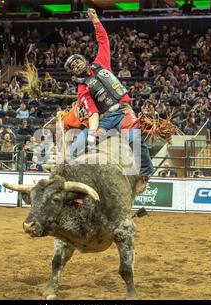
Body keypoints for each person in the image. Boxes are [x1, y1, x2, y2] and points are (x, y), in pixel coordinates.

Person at [64, 8, 153, 191]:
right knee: (75, 148)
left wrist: (95, 20)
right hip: (103, 119)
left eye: (78, 61)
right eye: (73, 66)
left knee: (134, 140)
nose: (77, 65)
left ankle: (144, 174)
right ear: (73, 72)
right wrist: (91, 135)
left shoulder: (101, 63)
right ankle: (74, 184)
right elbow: (92, 111)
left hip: (123, 111)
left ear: (84, 60)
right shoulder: (82, 88)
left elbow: (103, 40)